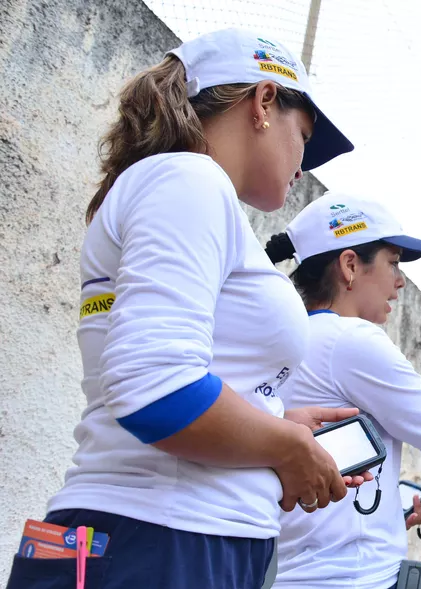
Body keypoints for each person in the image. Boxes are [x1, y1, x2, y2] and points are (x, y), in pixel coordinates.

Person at [6, 28, 374, 589]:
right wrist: (290, 446)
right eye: (304, 136)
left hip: (160, 537)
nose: (304, 166)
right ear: (264, 101)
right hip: (161, 540)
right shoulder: (189, 179)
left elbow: (163, 375)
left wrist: (273, 419)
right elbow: (157, 388)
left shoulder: (184, 189)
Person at [263, 195, 421, 589]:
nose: (400, 280)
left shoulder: (287, 336)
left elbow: (318, 470)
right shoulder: (351, 340)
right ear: (350, 265)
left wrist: (392, 511)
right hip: (350, 579)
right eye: (393, 262)